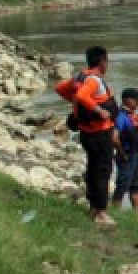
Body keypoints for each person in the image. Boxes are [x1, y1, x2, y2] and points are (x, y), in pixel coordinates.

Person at [55, 45, 118, 226]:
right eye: (107, 61)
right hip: (100, 134)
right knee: (102, 171)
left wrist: (75, 102)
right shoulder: (94, 81)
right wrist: (99, 110)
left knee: (93, 169)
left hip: (86, 133)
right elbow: (83, 95)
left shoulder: (78, 77)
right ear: (102, 62)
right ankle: (101, 213)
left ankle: (93, 207)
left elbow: (60, 88)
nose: (108, 65)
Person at [111, 88, 138, 212]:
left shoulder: (132, 116)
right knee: (122, 187)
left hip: (135, 155)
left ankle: (136, 216)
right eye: (136, 101)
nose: (137, 104)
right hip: (126, 156)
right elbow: (114, 138)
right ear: (127, 100)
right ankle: (116, 213)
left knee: (135, 186)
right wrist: (122, 153)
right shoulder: (121, 116)